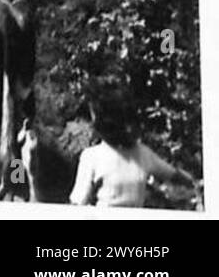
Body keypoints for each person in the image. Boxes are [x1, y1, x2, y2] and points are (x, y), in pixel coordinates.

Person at [69, 86, 198, 208]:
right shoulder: (140, 153)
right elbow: (176, 176)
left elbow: (78, 203)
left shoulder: (95, 156)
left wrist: (196, 184)